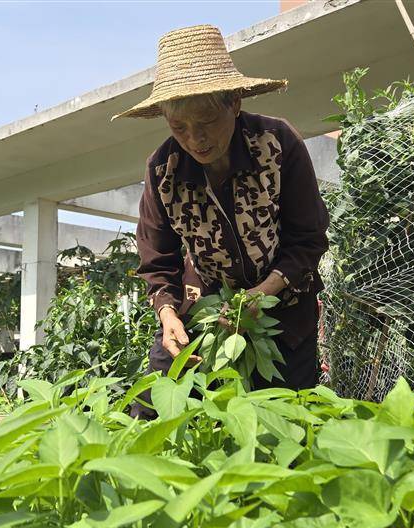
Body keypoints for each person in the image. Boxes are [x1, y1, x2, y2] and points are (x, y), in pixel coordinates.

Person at [113, 24, 329, 411]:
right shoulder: (164, 169)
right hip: (207, 303)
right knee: (156, 405)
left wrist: (259, 296)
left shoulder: (277, 144)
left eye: (207, 121)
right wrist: (167, 315)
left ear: (234, 103)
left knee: (282, 413)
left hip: (284, 303)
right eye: (179, 127)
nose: (196, 139)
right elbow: (157, 259)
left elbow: (308, 240)